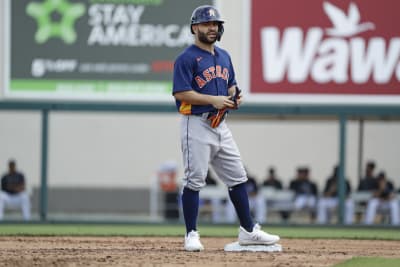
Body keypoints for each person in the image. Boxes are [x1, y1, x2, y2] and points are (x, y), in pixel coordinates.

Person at [172, 5, 279, 251]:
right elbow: (181, 92)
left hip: (220, 124)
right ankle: (191, 234)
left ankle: (248, 231)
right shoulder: (186, 58)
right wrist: (213, 100)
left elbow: (230, 86)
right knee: (194, 179)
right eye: (206, 24)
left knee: (238, 177)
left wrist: (235, 97)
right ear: (194, 27)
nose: (212, 28)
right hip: (196, 123)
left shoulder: (224, 56)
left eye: (215, 24)